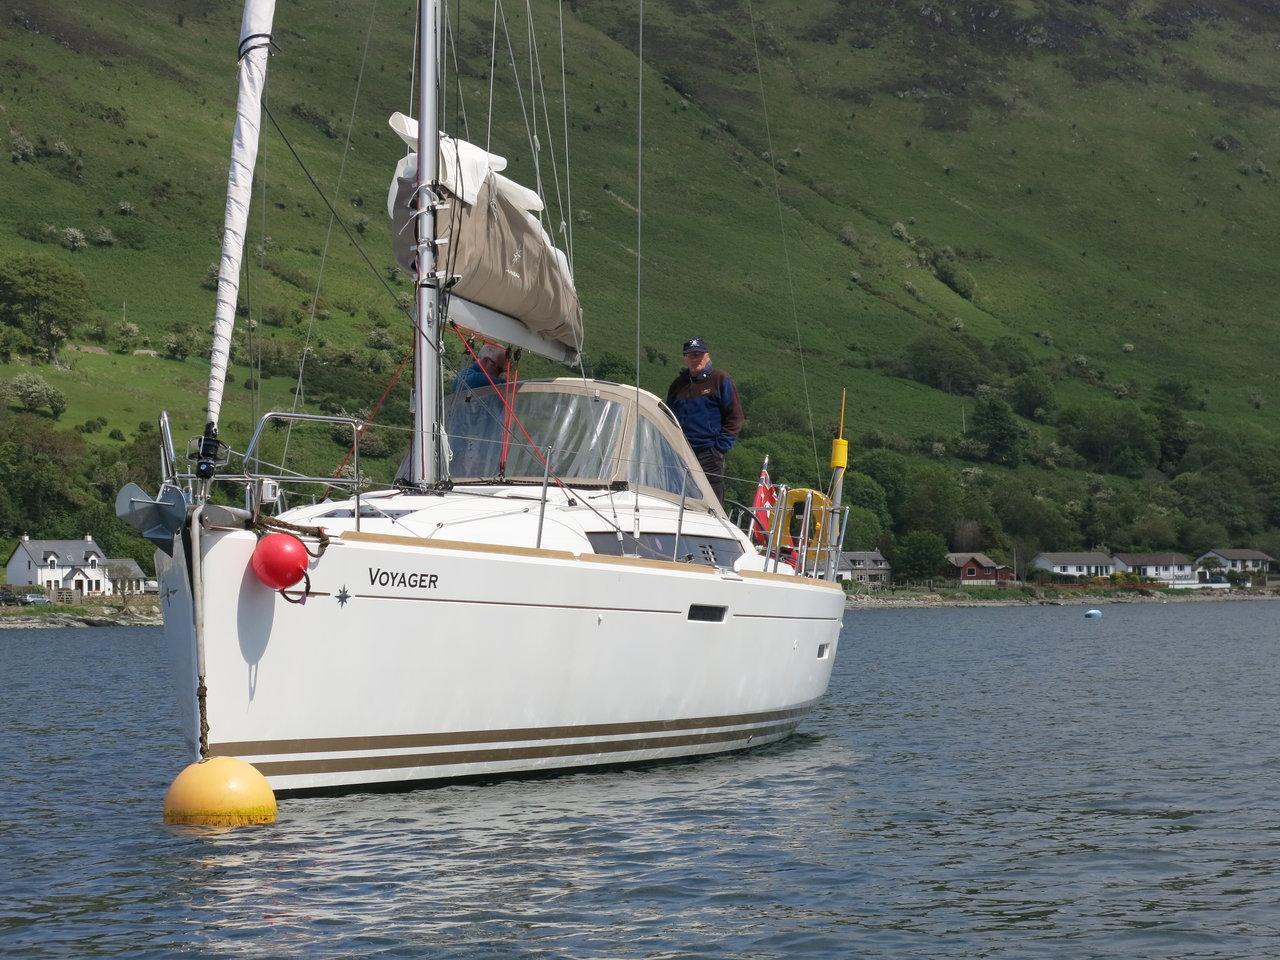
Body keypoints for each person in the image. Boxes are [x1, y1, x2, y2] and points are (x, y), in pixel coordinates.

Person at [665, 337, 742, 506]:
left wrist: (719, 448)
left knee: (711, 504)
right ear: (685, 358)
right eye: (691, 355)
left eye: (699, 355)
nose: (695, 359)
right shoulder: (678, 385)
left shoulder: (720, 379)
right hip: (681, 453)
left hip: (709, 454)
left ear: (707, 356)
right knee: (678, 499)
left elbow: (735, 417)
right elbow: (669, 416)